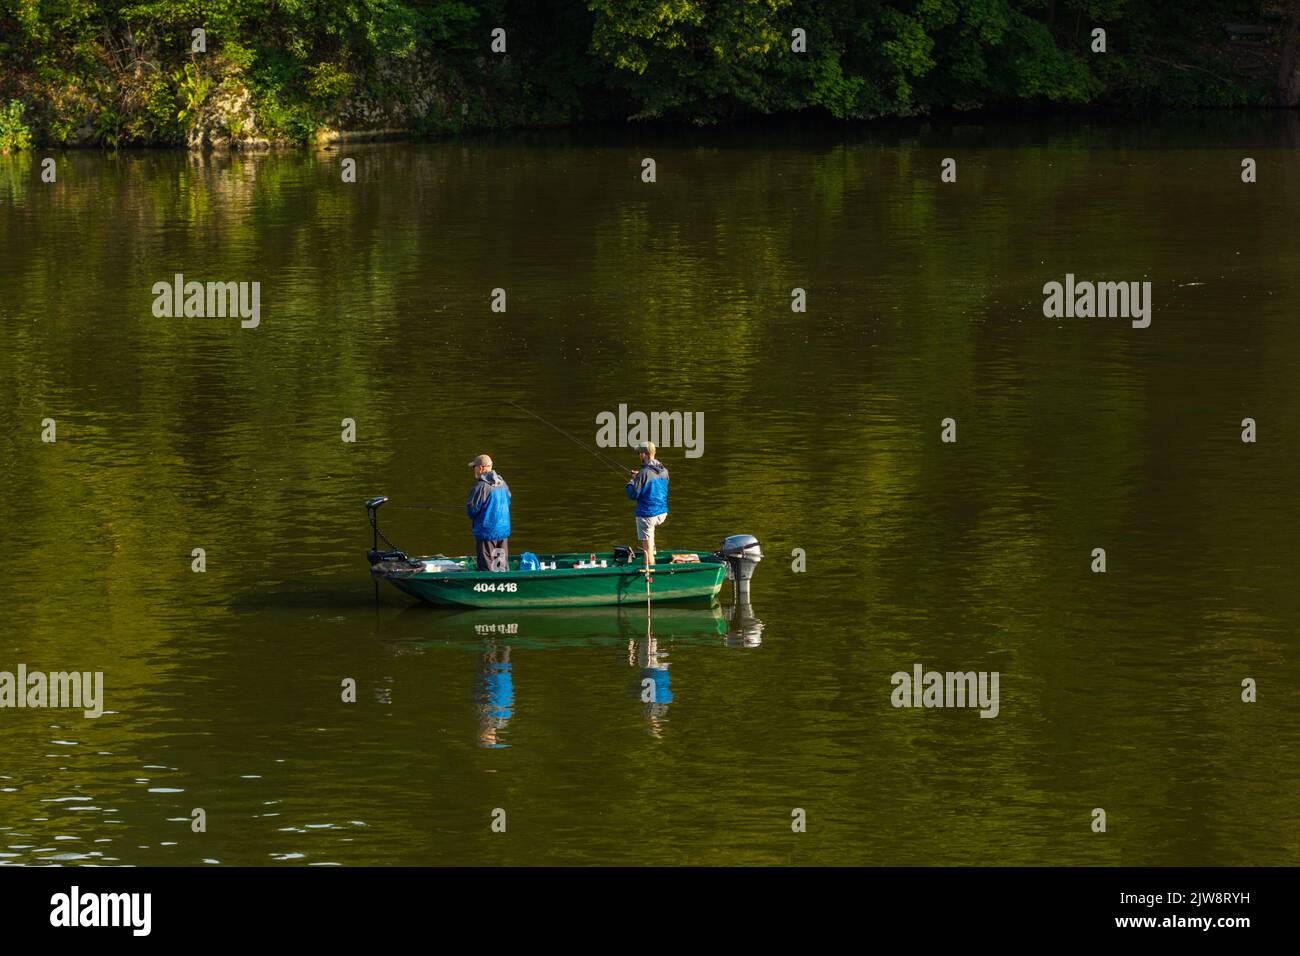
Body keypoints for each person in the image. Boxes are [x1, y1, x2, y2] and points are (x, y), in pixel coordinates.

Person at [625, 440, 668, 567]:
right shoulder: (664, 470)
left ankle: (651, 572)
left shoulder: (644, 473)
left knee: (646, 550)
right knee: (650, 540)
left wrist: (632, 481)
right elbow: (656, 485)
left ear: (645, 455)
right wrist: (639, 477)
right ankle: (652, 555)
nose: (639, 455)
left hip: (647, 515)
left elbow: (633, 494)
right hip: (662, 513)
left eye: (640, 453)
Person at [466, 454, 511, 571]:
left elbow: (472, 511)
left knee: (486, 568)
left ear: (480, 468)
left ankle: (488, 584)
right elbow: (508, 501)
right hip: (503, 532)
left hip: (486, 533)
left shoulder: (480, 486)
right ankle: (502, 585)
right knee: (500, 567)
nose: (473, 470)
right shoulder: (503, 483)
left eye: (474, 467)